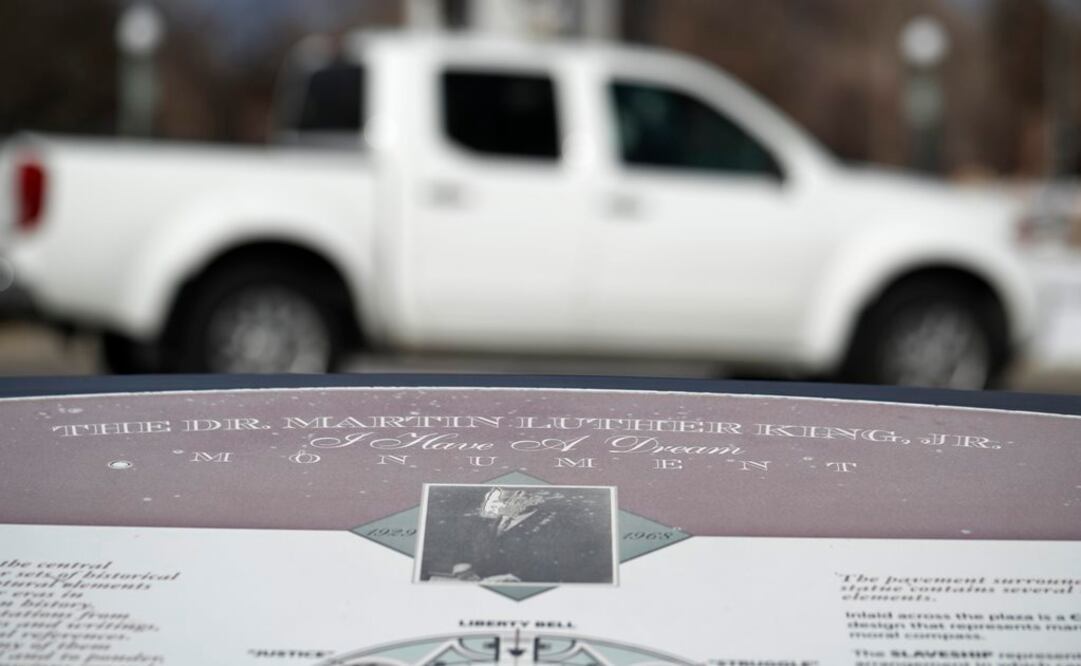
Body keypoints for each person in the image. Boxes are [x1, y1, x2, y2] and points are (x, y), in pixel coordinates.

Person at [420, 486, 614, 585]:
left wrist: (517, 577)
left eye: (505, 498)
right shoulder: (488, 520)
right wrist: (462, 565)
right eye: (495, 497)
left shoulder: (556, 524)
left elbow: (563, 564)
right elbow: (465, 546)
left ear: (527, 499)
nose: (494, 504)